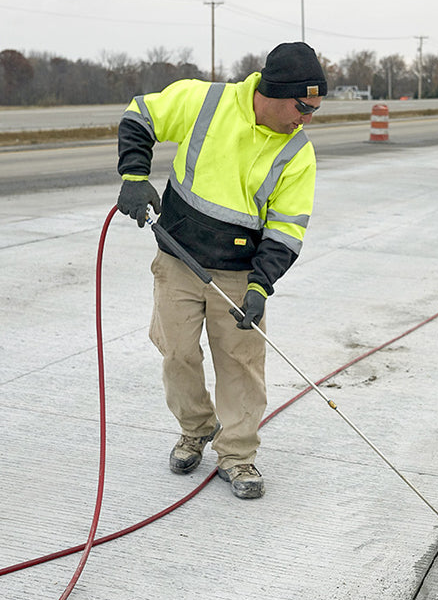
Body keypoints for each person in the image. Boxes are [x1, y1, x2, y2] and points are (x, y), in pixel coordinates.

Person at [115, 42, 327, 500]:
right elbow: (139, 115)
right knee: (176, 354)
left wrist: (261, 284)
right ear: (273, 91)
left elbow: (287, 229)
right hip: (177, 259)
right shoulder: (205, 101)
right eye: (302, 107)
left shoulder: (297, 153)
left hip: (237, 274)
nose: (306, 118)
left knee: (241, 364)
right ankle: (196, 428)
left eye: (313, 110)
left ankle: (237, 454)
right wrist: (134, 176)